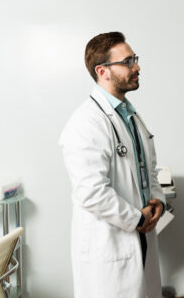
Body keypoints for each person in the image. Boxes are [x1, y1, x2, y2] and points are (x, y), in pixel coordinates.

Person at [59, 32, 166, 298]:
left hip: (139, 236)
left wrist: (158, 200)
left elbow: (148, 169)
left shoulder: (130, 115)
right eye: (128, 61)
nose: (137, 67)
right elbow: (91, 191)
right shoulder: (86, 122)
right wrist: (137, 218)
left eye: (135, 59)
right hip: (109, 243)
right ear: (102, 71)